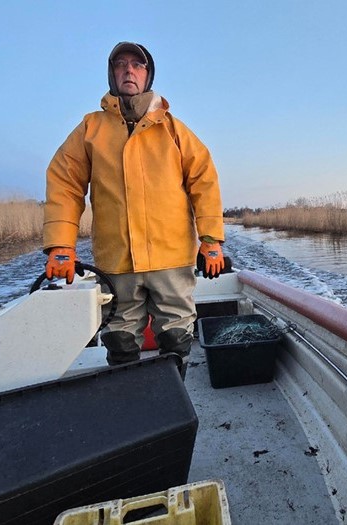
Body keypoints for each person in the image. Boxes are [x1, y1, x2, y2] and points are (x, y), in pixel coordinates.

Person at [42, 41, 226, 375]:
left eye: (137, 65)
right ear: (111, 74)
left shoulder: (173, 129)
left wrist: (211, 240)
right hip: (117, 260)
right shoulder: (90, 129)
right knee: (121, 339)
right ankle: (130, 407)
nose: (129, 70)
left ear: (148, 74)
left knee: (175, 335)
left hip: (171, 256)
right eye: (121, 64)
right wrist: (60, 245)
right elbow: (65, 182)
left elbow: (204, 180)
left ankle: (172, 406)